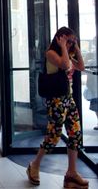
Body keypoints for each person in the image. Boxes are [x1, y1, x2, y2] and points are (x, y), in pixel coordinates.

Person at [27, 26, 89, 188]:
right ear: (59, 39)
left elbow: (81, 67)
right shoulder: (51, 53)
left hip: (68, 99)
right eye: (68, 41)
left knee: (75, 134)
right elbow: (64, 64)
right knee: (53, 137)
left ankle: (72, 173)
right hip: (56, 101)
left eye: (72, 41)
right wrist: (63, 47)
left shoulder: (68, 52)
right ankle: (34, 165)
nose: (70, 44)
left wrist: (77, 49)